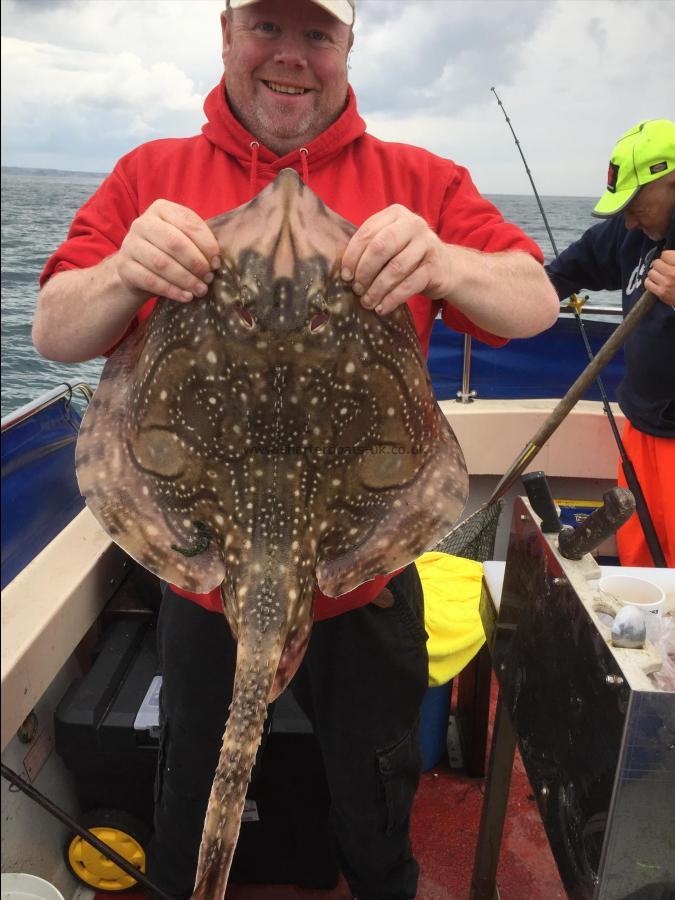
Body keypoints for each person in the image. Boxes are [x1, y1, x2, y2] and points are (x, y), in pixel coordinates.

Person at [33, 1, 558, 897]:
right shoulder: (149, 173)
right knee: (191, 799)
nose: (291, 55)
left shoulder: (418, 179)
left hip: (364, 578)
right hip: (205, 588)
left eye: (316, 34)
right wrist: (125, 268)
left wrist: (441, 260)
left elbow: (534, 303)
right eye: (267, 29)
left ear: (347, 45)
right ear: (227, 34)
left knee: (374, 797)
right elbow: (54, 329)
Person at [546, 119, 675, 568]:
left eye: (637, 201)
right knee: (642, 568)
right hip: (641, 429)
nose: (629, 217)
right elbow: (564, 272)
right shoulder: (632, 231)